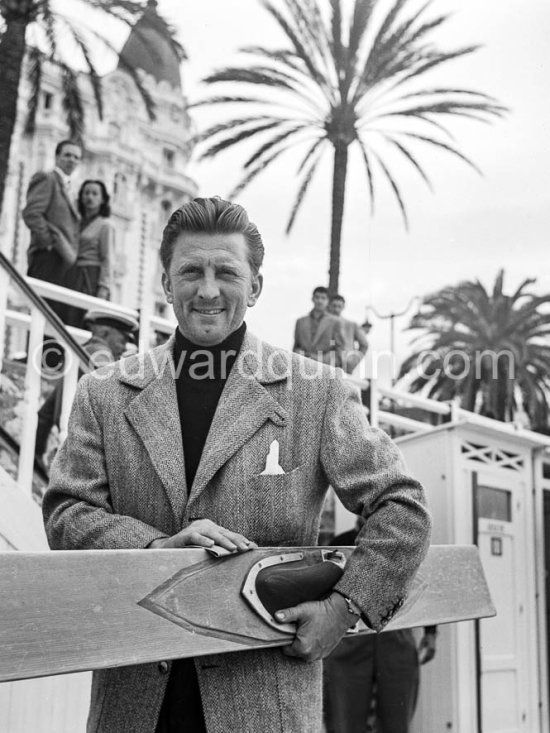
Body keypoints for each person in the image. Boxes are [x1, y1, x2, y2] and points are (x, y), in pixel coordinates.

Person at [42, 196, 431, 733]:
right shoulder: (103, 393)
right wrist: (154, 547)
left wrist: (344, 610)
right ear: (165, 282)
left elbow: (401, 507)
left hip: (264, 703)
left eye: (226, 271)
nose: (207, 290)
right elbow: (66, 512)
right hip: (132, 706)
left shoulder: (315, 392)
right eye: (190, 271)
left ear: (256, 286)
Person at [324, 519, 437, 733]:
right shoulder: (340, 543)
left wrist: (431, 632)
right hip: (349, 635)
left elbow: (425, 586)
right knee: (343, 717)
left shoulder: (405, 543)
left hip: (396, 631)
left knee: (397, 717)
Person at [35, 309, 138, 460]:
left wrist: (36, 452)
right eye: (122, 340)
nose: (124, 347)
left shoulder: (81, 352)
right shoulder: (102, 355)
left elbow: (46, 413)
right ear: (104, 333)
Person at [23, 140, 82, 292]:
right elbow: (32, 213)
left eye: (76, 157)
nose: (72, 160)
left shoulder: (71, 189)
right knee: (41, 307)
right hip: (47, 256)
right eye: (67, 155)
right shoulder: (47, 178)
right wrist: (48, 243)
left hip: (64, 260)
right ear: (57, 157)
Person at [61, 180, 115, 327]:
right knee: (67, 320)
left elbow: (107, 258)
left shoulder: (105, 225)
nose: (90, 197)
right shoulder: (76, 222)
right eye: (86, 193)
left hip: (90, 277)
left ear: (102, 199)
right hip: (72, 275)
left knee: (83, 322)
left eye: (94, 193)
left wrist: (103, 288)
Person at [293, 285, 345, 366]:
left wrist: (324, 361)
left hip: (325, 369)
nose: (319, 301)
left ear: (328, 301)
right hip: (302, 367)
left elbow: (340, 350)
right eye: (317, 297)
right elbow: (296, 347)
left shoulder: (335, 322)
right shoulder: (300, 322)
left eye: (323, 298)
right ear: (312, 299)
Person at [328, 294, 369, 375]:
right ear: (329, 306)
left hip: (345, 367)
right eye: (334, 306)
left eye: (339, 306)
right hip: (324, 366)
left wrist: (353, 361)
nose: (336, 309)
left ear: (343, 307)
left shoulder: (351, 325)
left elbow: (364, 344)